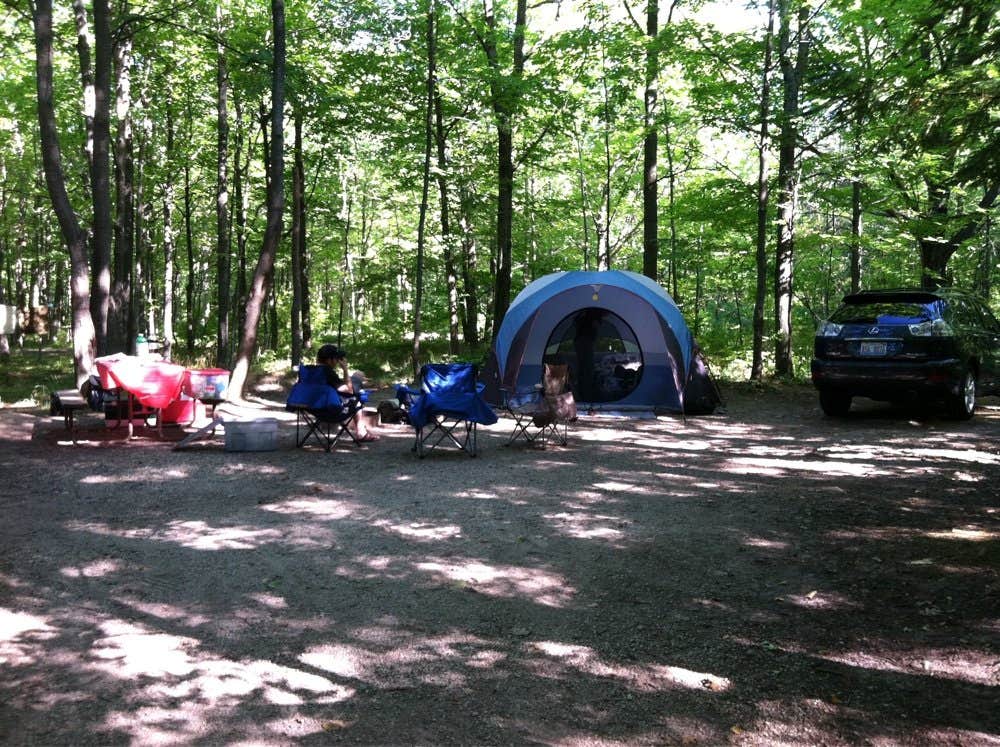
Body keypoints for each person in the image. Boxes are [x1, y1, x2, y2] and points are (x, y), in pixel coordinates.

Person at [316, 344, 378, 442]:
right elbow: (349, 391)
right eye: (336, 359)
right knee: (356, 398)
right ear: (329, 360)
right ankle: (361, 432)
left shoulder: (309, 371)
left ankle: (358, 379)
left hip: (313, 408)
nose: (337, 361)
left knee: (356, 378)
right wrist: (345, 369)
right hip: (329, 410)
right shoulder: (328, 372)